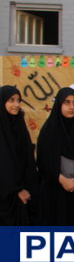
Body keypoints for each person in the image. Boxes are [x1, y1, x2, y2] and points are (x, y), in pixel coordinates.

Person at [37, 87, 74, 226]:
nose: (72, 107)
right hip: (55, 193)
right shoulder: (49, 130)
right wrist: (61, 179)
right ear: (59, 104)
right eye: (67, 102)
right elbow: (43, 161)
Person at [0, 86, 37, 226]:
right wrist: (17, 190)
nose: (16, 104)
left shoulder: (19, 124)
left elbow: (27, 160)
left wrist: (28, 188)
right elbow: (4, 165)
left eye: (18, 100)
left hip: (25, 196)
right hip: (6, 198)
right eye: (11, 100)